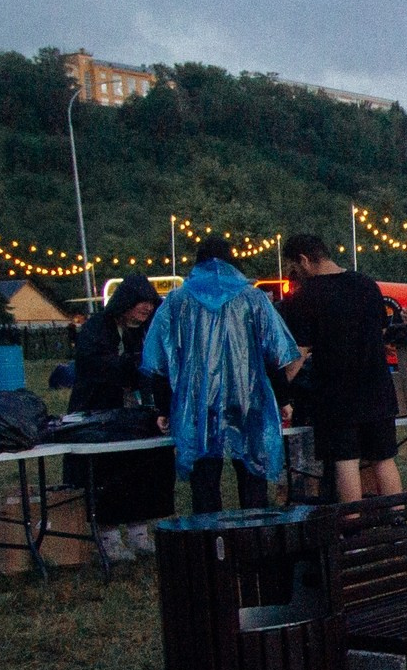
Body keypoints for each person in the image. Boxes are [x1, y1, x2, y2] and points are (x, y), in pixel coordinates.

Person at [142, 235, 303, 513]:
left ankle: (210, 534)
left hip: (197, 400)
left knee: (204, 476)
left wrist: (163, 405)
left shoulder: (178, 301)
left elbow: (161, 359)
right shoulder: (253, 298)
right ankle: (254, 530)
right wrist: (282, 397)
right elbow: (274, 352)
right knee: (252, 469)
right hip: (247, 396)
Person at [280, 234, 403, 503]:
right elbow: (381, 331)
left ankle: (354, 523)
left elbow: (298, 353)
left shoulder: (306, 297)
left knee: (345, 462)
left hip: (336, 394)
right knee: (384, 459)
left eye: (294, 267)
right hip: (377, 387)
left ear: (304, 260)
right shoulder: (366, 284)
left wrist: (279, 388)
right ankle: (398, 519)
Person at [69, 274, 174, 564]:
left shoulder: (144, 330)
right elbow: (94, 366)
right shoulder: (96, 328)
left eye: (151, 304)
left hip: (135, 413)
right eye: (142, 303)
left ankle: (139, 530)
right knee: (109, 472)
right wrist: (131, 364)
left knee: (144, 467)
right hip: (100, 413)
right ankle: (109, 535)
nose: (147, 308)